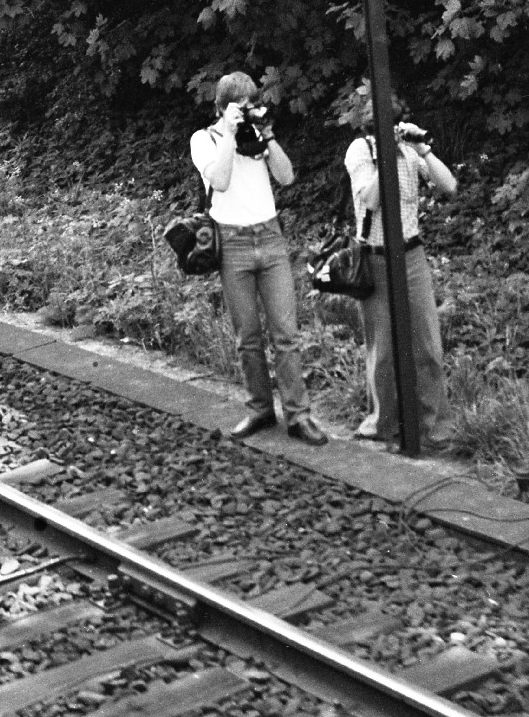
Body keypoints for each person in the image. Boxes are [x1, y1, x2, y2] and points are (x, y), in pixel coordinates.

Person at [190, 71, 326, 446]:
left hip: (269, 236)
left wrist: (268, 135)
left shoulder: (257, 135)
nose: (248, 111)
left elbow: (286, 177)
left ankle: (299, 416)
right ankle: (260, 409)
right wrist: (229, 133)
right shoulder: (205, 139)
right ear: (222, 107)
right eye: (241, 106)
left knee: (286, 334)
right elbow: (219, 181)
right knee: (247, 336)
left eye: (252, 105)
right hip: (231, 242)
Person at [344, 114, 457, 451]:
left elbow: (449, 186)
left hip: (411, 254)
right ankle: (384, 423)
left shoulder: (409, 151)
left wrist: (423, 150)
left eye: (398, 124)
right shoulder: (360, 150)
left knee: (427, 342)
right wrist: (386, 156)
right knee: (383, 348)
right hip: (376, 257)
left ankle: (435, 426)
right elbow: (370, 199)